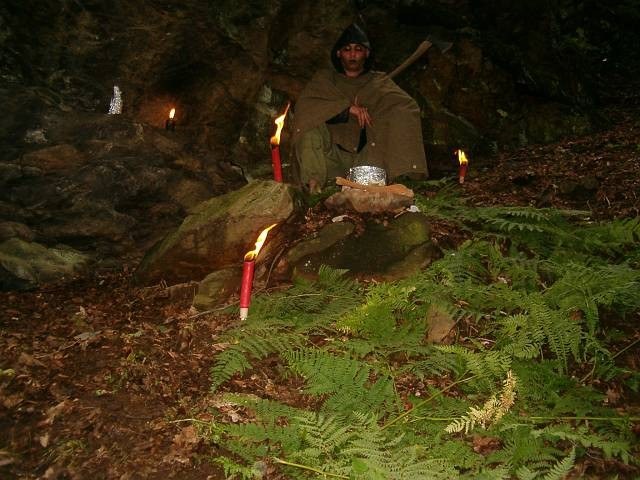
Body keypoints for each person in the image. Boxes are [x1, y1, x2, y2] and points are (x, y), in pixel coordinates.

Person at [292, 23, 428, 193]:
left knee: (398, 115)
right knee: (310, 126)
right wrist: (347, 109)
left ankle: (401, 181)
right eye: (347, 49)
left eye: (358, 49)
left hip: (369, 158)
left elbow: (405, 108)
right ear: (339, 53)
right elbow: (308, 108)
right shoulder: (325, 80)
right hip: (330, 159)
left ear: (366, 53)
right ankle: (314, 188)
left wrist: (373, 105)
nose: (352, 54)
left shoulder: (379, 82)